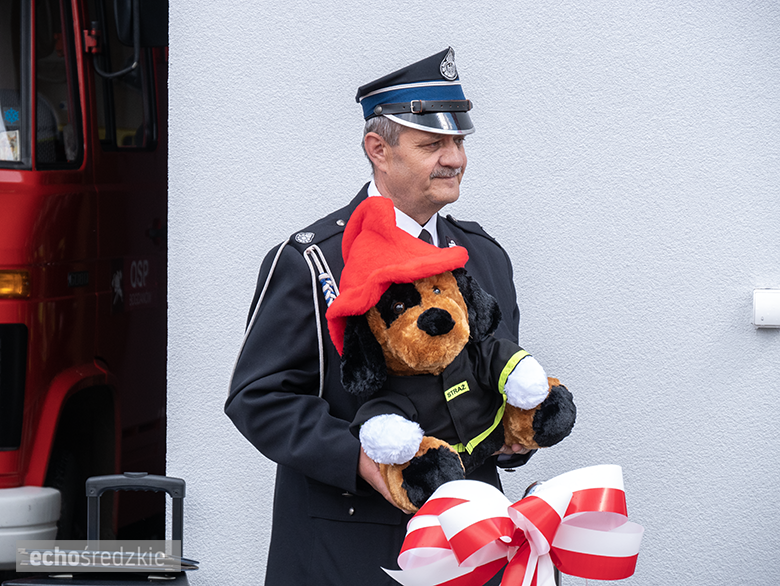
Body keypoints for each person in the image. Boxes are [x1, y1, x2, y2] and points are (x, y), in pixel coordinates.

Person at [226, 47, 534, 586]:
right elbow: (258, 398)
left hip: (471, 547)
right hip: (346, 553)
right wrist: (363, 460)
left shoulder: (485, 257)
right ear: (378, 149)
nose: (455, 158)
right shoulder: (311, 259)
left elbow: (494, 376)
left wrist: (515, 434)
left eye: (458, 141)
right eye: (432, 143)